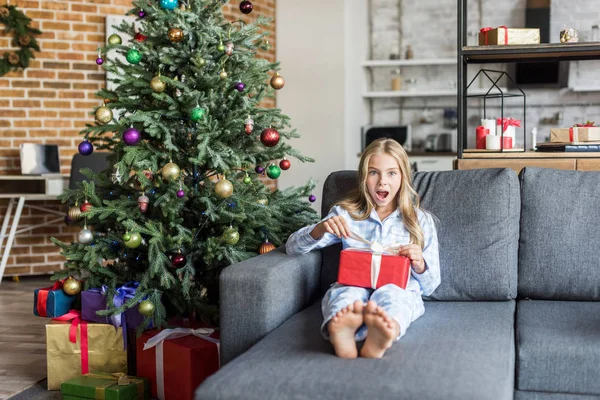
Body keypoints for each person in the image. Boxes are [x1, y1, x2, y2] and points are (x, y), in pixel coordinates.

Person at [285, 138, 440, 359]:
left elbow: (432, 285)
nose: (382, 182)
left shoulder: (419, 221)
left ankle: (383, 332)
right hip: (354, 283)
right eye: (374, 172)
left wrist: (420, 264)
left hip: (399, 288)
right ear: (363, 177)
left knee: (395, 297)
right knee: (346, 293)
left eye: (391, 173)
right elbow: (292, 248)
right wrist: (319, 229)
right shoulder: (346, 214)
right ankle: (342, 330)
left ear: (404, 176)